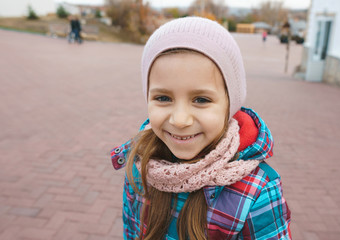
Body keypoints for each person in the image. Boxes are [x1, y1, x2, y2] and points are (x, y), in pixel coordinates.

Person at [111, 17, 291, 240]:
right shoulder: (139, 166)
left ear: (230, 104)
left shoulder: (257, 191)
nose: (180, 120)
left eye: (201, 100)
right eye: (163, 97)